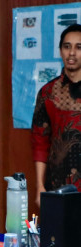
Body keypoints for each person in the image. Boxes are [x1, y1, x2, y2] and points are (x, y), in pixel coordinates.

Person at [31, 23, 81, 206]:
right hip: (58, 187)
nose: (72, 53)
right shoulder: (47, 93)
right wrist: (39, 186)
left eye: (79, 47)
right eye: (67, 46)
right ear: (60, 51)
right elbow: (40, 142)